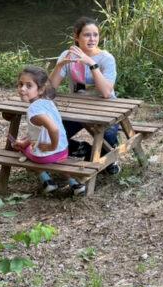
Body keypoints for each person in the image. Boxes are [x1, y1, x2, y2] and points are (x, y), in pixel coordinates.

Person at [49, 16, 121, 177]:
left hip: (105, 108)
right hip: (77, 109)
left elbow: (106, 93)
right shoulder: (68, 55)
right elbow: (50, 88)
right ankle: (84, 148)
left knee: (107, 135)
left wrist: (91, 63)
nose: (92, 39)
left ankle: (108, 154)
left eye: (95, 35)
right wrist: (59, 65)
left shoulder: (106, 59)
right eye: (87, 35)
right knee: (54, 133)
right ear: (77, 36)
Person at [10, 65, 81, 195]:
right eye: (20, 84)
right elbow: (40, 132)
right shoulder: (48, 101)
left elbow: (53, 129)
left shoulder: (33, 111)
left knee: (23, 149)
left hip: (49, 154)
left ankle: (46, 180)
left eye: (28, 86)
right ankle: (73, 183)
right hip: (63, 150)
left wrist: (50, 147)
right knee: (56, 160)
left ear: (41, 89)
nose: (22, 89)